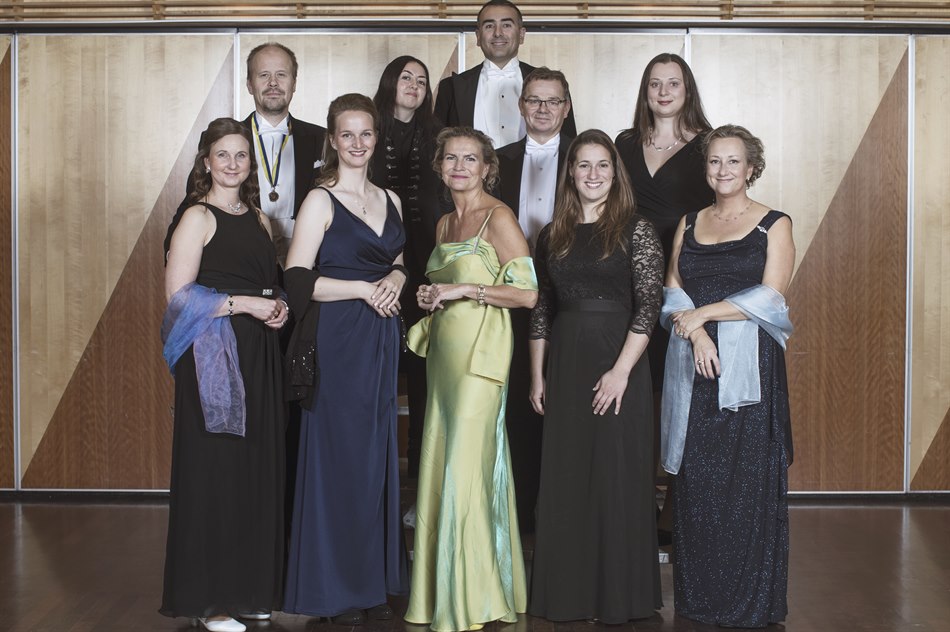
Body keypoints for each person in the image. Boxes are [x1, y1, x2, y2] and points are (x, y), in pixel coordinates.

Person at [282, 93, 410, 624]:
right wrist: (361, 290)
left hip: (381, 337)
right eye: (347, 134)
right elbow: (296, 279)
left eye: (366, 133)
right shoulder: (320, 199)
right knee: (339, 459)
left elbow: (397, 258)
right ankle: (334, 590)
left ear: (376, 138)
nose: (358, 143)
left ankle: (370, 586)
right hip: (338, 338)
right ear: (333, 140)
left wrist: (398, 274)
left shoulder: (391, 198)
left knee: (375, 458)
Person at [527, 130, 664, 622]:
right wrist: (537, 375)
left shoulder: (636, 229)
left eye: (602, 164)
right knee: (566, 475)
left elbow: (649, 305)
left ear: (615, 171)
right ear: (570, 172)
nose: (593, 174)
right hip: (565, 362)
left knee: (615, 474)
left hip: (618, 360)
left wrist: (621, 372)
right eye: (583, 165)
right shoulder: (553, 234)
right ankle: (568, 595)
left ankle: (618, 597)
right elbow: (542, 308)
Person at [405, 127, 538, 632]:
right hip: (443, 356)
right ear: (440, 167)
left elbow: (527, 294)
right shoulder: (444, 223)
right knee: (441, 461)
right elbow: (445, 286)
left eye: (470, 159)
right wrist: (431, 295)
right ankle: (441, 591)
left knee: (466, 465)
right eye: (451, 158)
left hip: (481, 360)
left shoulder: (498, 217)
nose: (460, 166)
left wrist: (466, 290)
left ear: (487, 168)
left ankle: (472, 598)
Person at [661, 125, 794, 628]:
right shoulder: (688, 222)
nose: (723, 170)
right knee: (697, 482)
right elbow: (673, 292)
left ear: (751, 168)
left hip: (749, 368)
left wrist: (705, 313)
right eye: (715, 161)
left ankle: (747, 602)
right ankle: (700, 599)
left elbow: (771, 297)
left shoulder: (774, 224)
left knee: (745, 483)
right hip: (693, 364)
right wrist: (696, 332)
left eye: (733, 161)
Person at [160, 117, 290, 632]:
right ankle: (209, 601)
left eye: (241, 155)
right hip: (214, 357)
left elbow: (268, 284)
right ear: (206, 162)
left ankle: (246, 591)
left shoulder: (258, 217)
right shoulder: (197, 216)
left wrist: (277, 306)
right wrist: (246, 306)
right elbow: (178, 297)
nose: (233, 163)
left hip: (259, 354)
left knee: (253, 471)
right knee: (214, 472)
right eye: (223, 155)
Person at [615, 53, 713, 543]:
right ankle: (633, 502)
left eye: (673, 83)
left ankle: (675, 508)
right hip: (629, 277)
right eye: (655, 83)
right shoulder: (625, 143)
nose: (664, 91)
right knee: (638, 389)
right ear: (645, 90)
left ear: (687, 89)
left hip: (683, 280)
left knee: (680, 392)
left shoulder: (708, 145)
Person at [495, 66, 574, 533]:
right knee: (519, 405)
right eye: (534, 100)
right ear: (521, 106)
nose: (543, 109)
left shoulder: (586, 159)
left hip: (571, 301)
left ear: (566, 108)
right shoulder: (497, 161)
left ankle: (562, 516)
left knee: (564, 405)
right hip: (511, 298)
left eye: (552, 100)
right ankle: (519, 513)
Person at [164, 42, 326, 266]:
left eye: (281, 74)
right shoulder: (223, 139)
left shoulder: (323, 139)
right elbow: (194, 201)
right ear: (249, 84)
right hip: (244, 264)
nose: (273, 83)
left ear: (294, 83)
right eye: (263, 75)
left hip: (309, 266)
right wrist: (174, 255)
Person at [370, 55, 444, 480]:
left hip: (426, 267)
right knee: (376, 370)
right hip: (374, 268)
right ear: (389, 83)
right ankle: (375, 477)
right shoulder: (368, 131)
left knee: (422, 374)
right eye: (406, 77)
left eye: (422, 80)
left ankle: (420, 478)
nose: (414, 85)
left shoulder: (438, 136)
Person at [434, 0, 576, 148]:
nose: (498, 33)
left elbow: (570, 148)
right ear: (478, 36)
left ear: (521, 34)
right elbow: (438, 149)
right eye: (489, 26)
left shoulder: (554, 86)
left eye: (506, 25)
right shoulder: (450, 87)